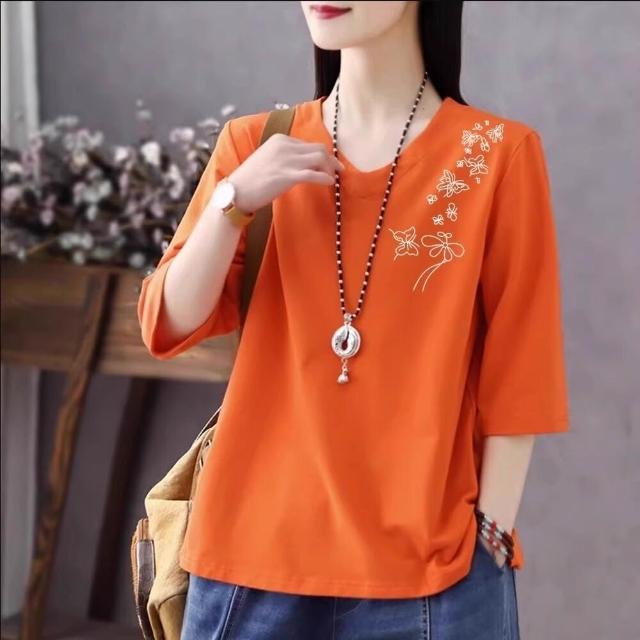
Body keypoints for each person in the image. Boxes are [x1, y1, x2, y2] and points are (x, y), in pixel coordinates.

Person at [137, 1, 570, 638]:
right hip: (251, 563)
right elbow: (165, 323)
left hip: (432, 573)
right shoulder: (256, 144)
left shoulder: (498, 154)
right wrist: (235, 200)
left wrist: (491, 537)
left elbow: (522, 366)